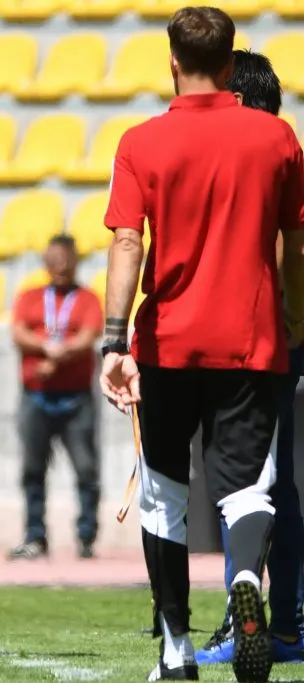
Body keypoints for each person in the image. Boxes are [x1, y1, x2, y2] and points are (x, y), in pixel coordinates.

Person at [99, 7, 304, 682]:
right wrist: (295, 316)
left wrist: (111, 338)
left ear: (172, 62)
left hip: (169, 341)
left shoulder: (142, 141)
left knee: (163, 492)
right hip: (253, 337)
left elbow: (128, 241)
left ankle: (176, 649)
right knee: (246, 488)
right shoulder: (276, 139)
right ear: (229, 61)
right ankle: (246, 575)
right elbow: (295, 242)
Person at [195, 48, 304, 667]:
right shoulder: (280, 149)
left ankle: (258, 623)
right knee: (274, 486)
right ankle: (283, 621)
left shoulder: (260, 153)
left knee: (248, 485)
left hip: (254, 337)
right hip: (275, 331)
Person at [8, 234, 103, 562]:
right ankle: (35, 536)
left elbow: (89, 335)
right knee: (33, 470)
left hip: (77, 399)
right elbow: (18, 331)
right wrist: (46, 348)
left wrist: (57, 357)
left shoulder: (88, 299)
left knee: (86, 470)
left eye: (65, 260)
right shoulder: (30, 296)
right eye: (54, 260)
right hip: (36, 395)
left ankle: (87, 536)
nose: (60, 267)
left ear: (75, 261)